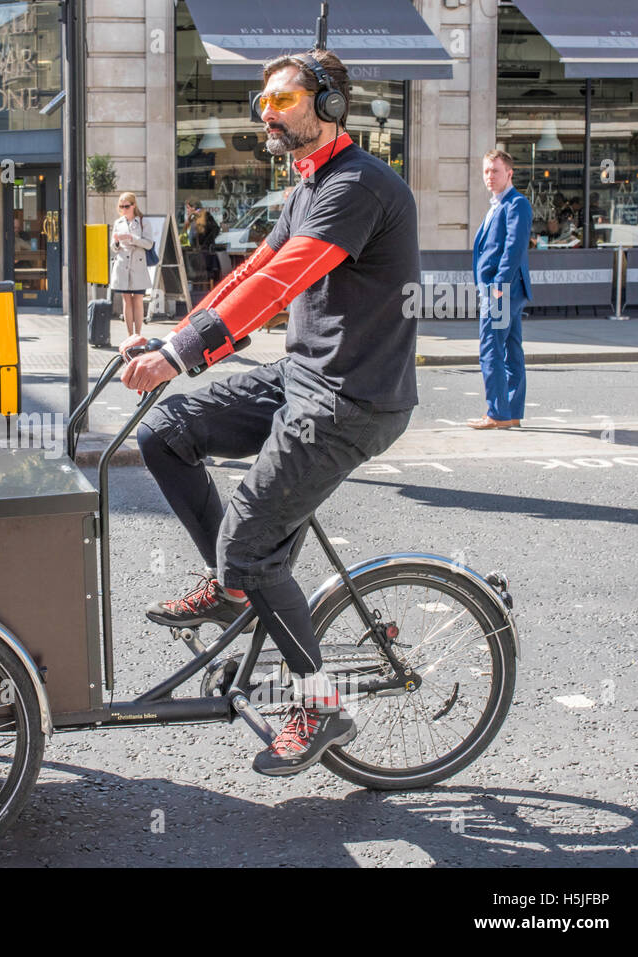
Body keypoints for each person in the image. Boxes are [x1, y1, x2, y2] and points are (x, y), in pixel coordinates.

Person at [122, 49, 419, 777]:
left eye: (284, 99)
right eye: (264, 101)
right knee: (166, 432)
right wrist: (176, 338)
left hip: (354, 397)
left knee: (252, 541)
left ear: (330, 106)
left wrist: (181, 356)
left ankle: (320, 700)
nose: (267, 112)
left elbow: (284, 282)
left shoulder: (358, 187)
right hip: (302, 375)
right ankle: (232, 586)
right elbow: (254, 270)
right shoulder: (309, 185)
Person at [468, 148, 532, 430]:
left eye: (495, 171)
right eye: (486, 171)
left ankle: (496, 413)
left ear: (509, 173)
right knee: (511, 350)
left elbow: (514, 249)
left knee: (491, 348)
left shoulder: (516, 204)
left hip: (502, 292)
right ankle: (511, 412)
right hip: (504, 291)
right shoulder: (499, 205)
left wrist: (498, 287)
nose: (489, 176)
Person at [110, 191, 155, 338]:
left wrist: (132, 238)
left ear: (134, 205)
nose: (124, 209)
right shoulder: (118, 223)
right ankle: (130, 335)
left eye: (126, 206)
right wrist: (117, 242)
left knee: (138, 300)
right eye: (121, 206)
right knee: (126, 299)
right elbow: (113, 247)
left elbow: (149, 244)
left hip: (138, 265)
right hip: (122, 265)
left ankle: (138, 334)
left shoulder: (143, 222)